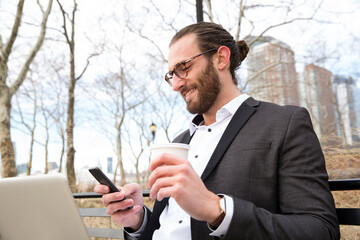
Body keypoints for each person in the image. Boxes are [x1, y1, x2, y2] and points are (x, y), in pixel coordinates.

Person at [95, 22, 340, 240]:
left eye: (184, 66)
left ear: (221, 59)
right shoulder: (180, 141)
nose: (176, 84)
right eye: (171, 75)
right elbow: (168, 228)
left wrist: (217, 209)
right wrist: (138, 221)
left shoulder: (284, 124)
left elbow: (321, 230)